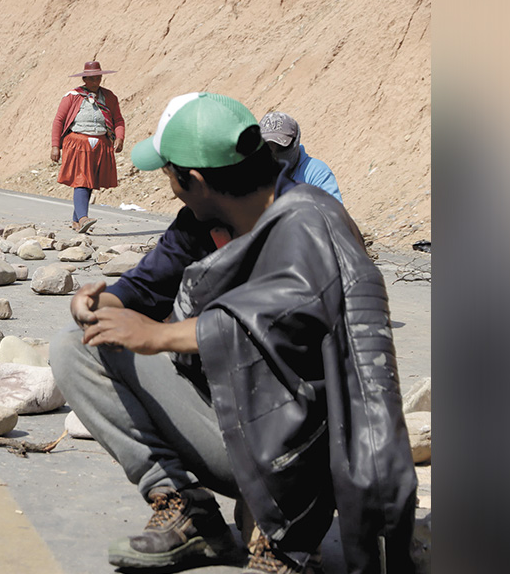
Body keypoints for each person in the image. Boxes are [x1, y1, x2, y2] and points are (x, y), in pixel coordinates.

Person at [50, 92, 416, 574]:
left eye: (170, 175)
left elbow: (281, 323)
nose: (170, 187)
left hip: (304, 447)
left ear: (195, 180)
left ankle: (285, 539)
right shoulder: (202, 223)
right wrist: (100, 304)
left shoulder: (309, 221)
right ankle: (189, 511)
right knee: (78, 348)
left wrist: (160, 337)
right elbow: (144, 284)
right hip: (235, 420)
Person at [50, 60, 126, 233]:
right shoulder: (72, 96)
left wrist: (119, 137)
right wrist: (56, 146)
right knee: (82, 179)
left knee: (90, 181)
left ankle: (77, 221)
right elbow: (59, 121)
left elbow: (118, 119)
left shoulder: (109, 97)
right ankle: (84, 218)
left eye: (98, 78)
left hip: (101, 144)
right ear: (84, 79)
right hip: (78, 143)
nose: (95, 81)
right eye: (91, 79)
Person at [259, 111, 343, 203]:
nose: (273, 152)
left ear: (294, 142)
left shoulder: (316, 172)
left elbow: (333, 212)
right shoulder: (259, 177)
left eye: (278, 146)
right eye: (267, 146)